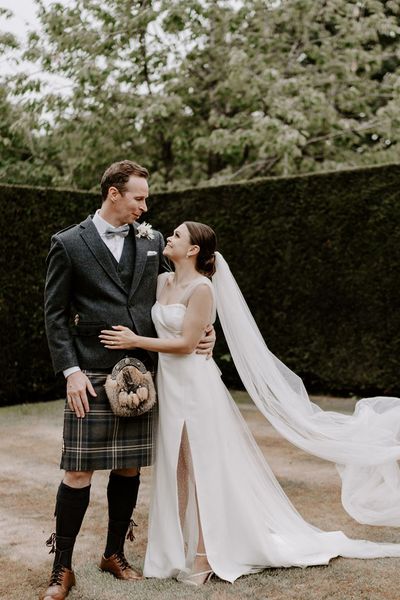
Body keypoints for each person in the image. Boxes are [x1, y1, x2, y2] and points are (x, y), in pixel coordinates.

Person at [99, 221, 400, 586]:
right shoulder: (162, 282)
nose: (169, 238)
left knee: (200, 471)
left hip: (196, 388)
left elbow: (185, 344)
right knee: (174, 470)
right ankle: (175, 550)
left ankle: (204, 557)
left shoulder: (202, 288)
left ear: (193, 249)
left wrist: (136, 341)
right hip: (170, 388)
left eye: (178, 235)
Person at [41, 162, 215, 600]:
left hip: (142, 372)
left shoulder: (154, 240)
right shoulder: (68, 242)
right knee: (77, 471)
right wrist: (71, 371)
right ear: (113, 194)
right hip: (91, 374)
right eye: (139, 197)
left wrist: (205, 331)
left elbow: (185, 289)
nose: (145, 205)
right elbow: (55, 315)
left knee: (129, 467)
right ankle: (61, 568)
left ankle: (114, 553)